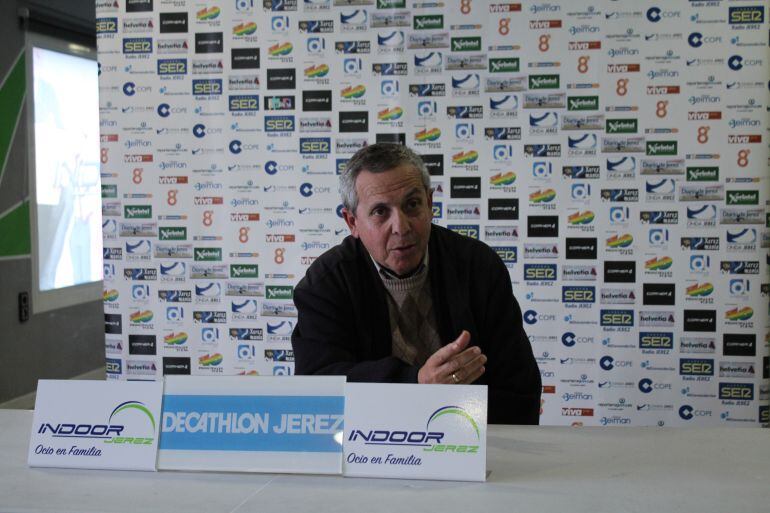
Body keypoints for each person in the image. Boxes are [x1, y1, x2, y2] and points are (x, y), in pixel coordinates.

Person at [291, 143, 541, 424]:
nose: (401, 226)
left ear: (430, 204)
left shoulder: (478, 266)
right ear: (352, 222)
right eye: (380, 212)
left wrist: (462, 425)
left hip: (468, 436)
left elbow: (520, 389)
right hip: (368, 443)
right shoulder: (326, 282)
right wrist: (415, 384)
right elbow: (318, 387)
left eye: (412, 205)